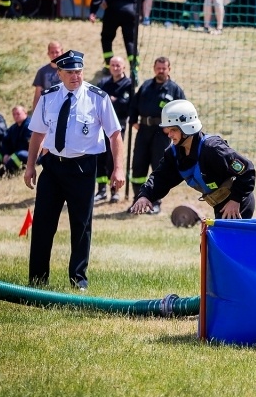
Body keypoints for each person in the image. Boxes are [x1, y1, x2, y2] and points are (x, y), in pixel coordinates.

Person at [23, 50, 125, 290]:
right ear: (58, 73)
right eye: (69, 72)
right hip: (52, 167)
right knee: (42, 224)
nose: (75, 76)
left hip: (82, 168)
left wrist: (118, 168)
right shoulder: (48, 97)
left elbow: (115, 134)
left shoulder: (97, 97)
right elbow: (37, 133)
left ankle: (78, 279)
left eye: (78, 71)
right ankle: (37, 280)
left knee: (81, 225)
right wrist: (29, 167)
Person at [130, 100, 256, 219]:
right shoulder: (174, 153)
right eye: (169, 130)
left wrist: (235, 200)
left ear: (187, 129)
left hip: (239, 202)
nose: (169, 135)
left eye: (173, 130)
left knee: (229, 240)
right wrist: (145, 195)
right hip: (220, 205)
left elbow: (247, 170)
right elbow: (161, 177)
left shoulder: (213, 149)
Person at [128, 57, 186, 214]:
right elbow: (134, 104)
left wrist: (174, 130)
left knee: (158, 167)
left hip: (162, 134)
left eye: (163, 68)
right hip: (143, 132)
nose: (160, 71)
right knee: (138, 165)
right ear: (154, 68)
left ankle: (155, 202)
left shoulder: (175, 90)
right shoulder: (146, 86)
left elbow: (183, 112)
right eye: (158, 68)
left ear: (169, 69)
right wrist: (133, 120)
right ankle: (137, 200)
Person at [95, 56, 132, 203]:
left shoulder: (128, 84)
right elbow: (97, 102)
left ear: (124, 67)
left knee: (113, 159)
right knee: (100, 158)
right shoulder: (103, 83)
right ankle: (101, 190)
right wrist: (113, 100)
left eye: (118, 65)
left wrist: (112, 101)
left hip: (118, 126)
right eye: (113, 65)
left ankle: (114, 191)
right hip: (100, 125)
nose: (115, 68)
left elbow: (126, 105)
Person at [0, 105, 32, 177]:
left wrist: (13, 154)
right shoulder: (13, 128)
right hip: (16, 153)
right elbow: (5, 141)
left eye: (18, 114)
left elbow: (28, 144)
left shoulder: (30, 125)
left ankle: (2, 173)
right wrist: (6, 153)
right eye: (14, 114)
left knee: (18, 155)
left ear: (25, 113)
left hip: (31, 155)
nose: (16, 116)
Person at [32, 41, 64, 110]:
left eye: (57, 52)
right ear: (48, 53)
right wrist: (35, 113)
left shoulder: (68, 70)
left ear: (62, 52)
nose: (55, 55)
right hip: (49, 109)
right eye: (52, 52)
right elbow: (37, 95)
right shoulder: (42, 71)